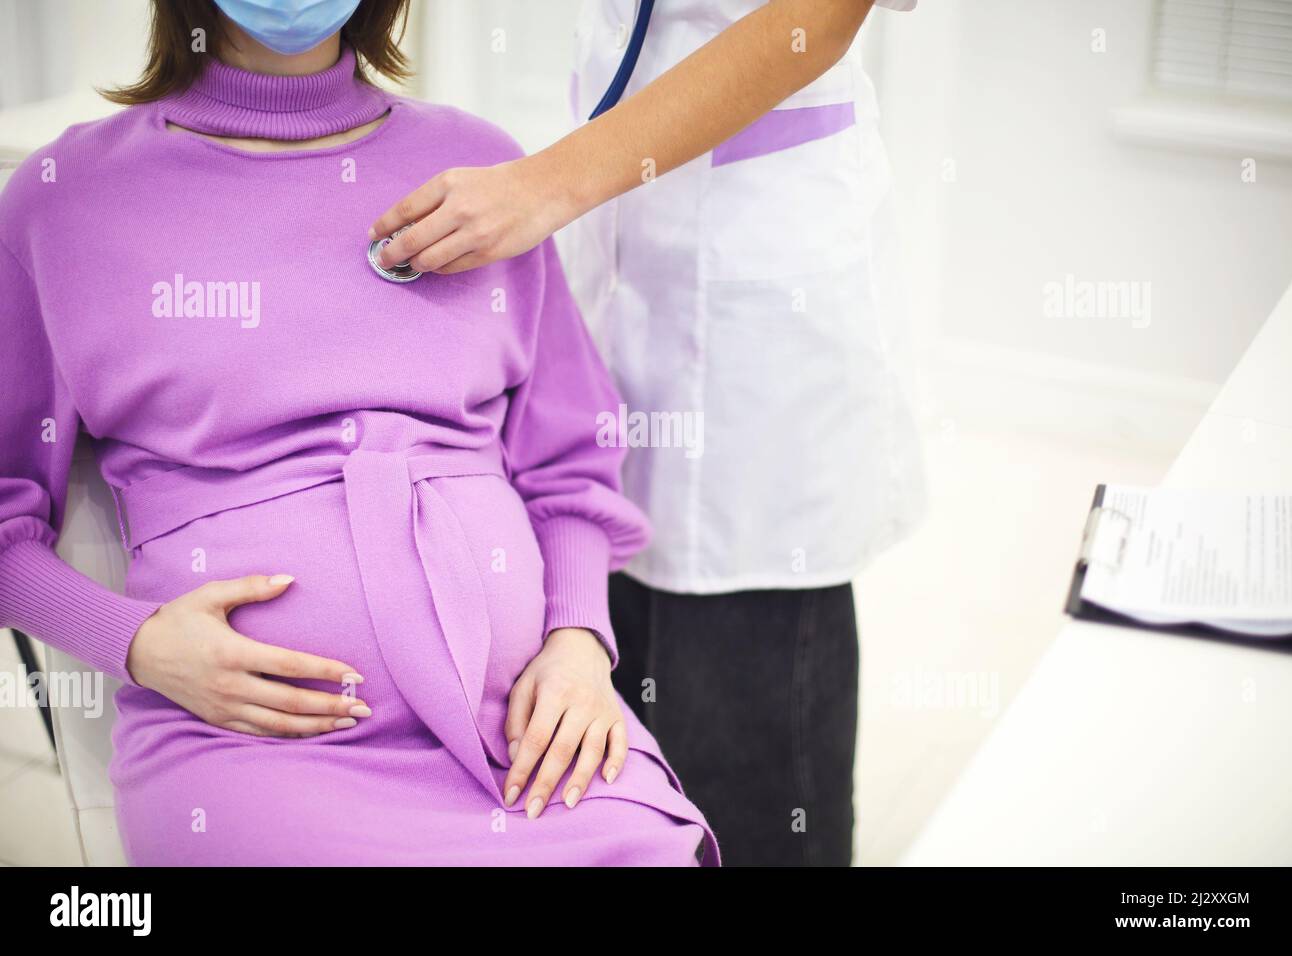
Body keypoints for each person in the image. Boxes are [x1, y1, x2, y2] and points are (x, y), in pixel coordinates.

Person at [0, 0, 715, 866]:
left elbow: (569, 471)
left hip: (528, 730)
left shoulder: (482, 173)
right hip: (255, 751)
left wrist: (577, 644)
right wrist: (138, 646)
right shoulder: (65, 199)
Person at [369, 0, 925, 866]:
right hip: (618, 239)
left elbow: (816, 16)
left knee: (747, 748)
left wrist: (545, 186)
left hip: (757, 286)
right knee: (613, 729)